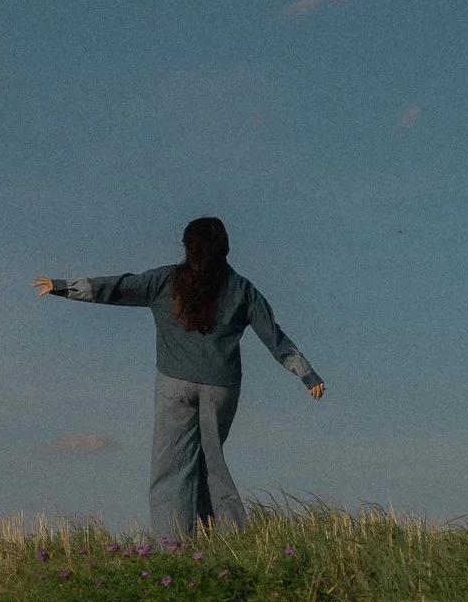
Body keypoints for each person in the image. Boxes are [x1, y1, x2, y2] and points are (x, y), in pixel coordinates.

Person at [34, 217, 323, 537]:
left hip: (174, 383)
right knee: (210, 460)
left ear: (187, 246)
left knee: (171, 466)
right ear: (225, 248)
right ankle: (230, 536)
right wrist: (307, 375)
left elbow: (119, 287)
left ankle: (175, 545)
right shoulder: (242, 288)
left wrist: (61, 286)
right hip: (221, 387)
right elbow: (273, 335)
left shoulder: (164, 281)